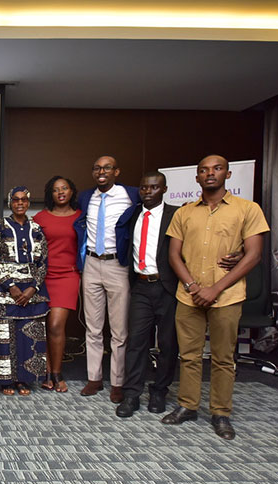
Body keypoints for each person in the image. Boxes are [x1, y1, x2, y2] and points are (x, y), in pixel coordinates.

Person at [162, 155, 269, 440]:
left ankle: (221, 413)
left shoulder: (248, 209)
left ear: (228, 174)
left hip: (227, 296)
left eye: (217, 168)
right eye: (204, 170)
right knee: (189, 356)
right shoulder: (184, 213)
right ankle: (187, 406)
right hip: (189, 296)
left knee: (223, 358)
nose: (210, 173)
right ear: (196, 177)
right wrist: (192, 286)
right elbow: (174, 255)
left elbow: (254, 255)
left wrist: (214, 288)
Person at [74, 155, 140, 402]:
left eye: (107, 168)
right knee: (93, 327)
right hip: (91, 263)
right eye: (97, 168)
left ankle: (118, 382)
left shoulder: (132, 195)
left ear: (117, 171)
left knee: (119, 330)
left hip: (117, 266)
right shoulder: (86, 196)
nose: (101, 172)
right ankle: (94, 378)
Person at [115, 172, 180, 417]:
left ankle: (159, 391)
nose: (148, 192)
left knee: (167, 344)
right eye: (143, 188)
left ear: (164, 189)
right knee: (136, 343)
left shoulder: (176, 214)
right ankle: (131, 394)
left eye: (154, 188)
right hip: (140, 286)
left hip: (167, 287)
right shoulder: (133, 214)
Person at [0, 187, 50, 395]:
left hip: (32, 290)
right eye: (15, 200)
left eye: (23, 200)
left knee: (28, 336)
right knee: (4, 335)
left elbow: (43, 262)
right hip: (5, 290)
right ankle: (6, 381)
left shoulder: (37, 229)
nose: (19, 203)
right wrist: (10, 286)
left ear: (28, 203)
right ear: (9, 203)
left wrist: (32, 288)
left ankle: (24, 380)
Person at [33, 176, 81, 393]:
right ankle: (47, 371)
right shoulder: (40, 218)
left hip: (68, 276)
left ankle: (57, 372)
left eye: (64, 188)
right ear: (50, 194)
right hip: (43, 277)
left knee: (55, 325)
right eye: (55, 190)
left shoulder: (81, 217)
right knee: (42, 327)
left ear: (72, 192)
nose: (60, 192)